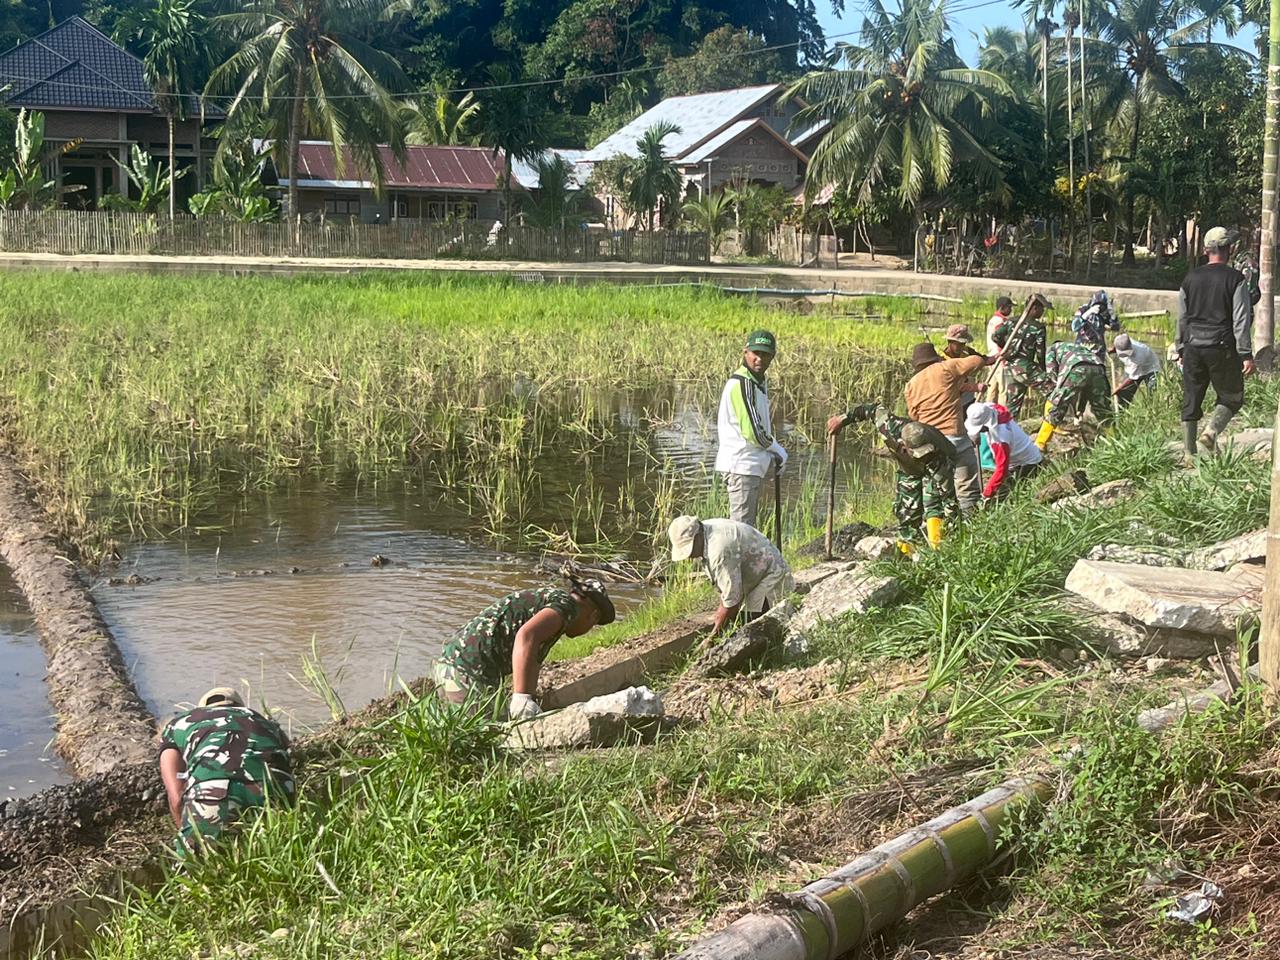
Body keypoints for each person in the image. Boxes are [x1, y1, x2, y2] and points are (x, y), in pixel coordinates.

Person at [433, 576, 616, 718]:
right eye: (593, 625)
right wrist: (522, 698)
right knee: (494, 740)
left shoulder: (553, 604)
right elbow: (527, 636)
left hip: (452, 665)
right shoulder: (567, 607)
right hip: (467, 672)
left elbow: (532, 657)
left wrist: (530, 697)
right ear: (593, 615)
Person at [158, 687, 295, 856]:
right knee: (271, 858)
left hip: (212, 793)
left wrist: (187, 832)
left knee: (196, 866)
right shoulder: (263, 720)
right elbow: (289, 757)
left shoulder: (180, 723)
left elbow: (176, 797)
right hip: (277, 790)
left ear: (202, 709)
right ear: (239, 706)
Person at [827, 403, 958, 549]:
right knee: (907, 512)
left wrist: (951, 524)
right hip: (908, 469)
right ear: (904, 446)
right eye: (919, 453)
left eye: (924, 452)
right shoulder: (889, 426)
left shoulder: (938, 453)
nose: (922, 456)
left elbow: (949, 498)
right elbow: (870, 410)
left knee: (934, 504)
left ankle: (938, 549)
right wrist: (842, 419)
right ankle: (906, 550)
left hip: (935, 466)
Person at [1177, 226, 1255, 455]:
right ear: (1229, 249)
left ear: (1205, 250)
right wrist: (1246, 354)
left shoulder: (1190, 278)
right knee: (1232, 397)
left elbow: (1182, 317)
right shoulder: (1236, 279)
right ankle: (1210, 432)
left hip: (1192, 346)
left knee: (1191, 399)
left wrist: (1180, 347)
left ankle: (1189, 454)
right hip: (1221, 346)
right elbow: (1240, 319)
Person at [667, 515, 794, 638]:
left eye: (690, 548)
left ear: (698, 536)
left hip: (772, 576)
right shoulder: (705, 530)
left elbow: (731, 599)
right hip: (754, 573)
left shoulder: (719, 551)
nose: (689, 556)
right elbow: (727, 586)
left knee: (752, 628)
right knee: (734, 620)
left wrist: (712, 637)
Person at [904, 340, 991, 513]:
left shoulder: (911, 385)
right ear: (935, 358)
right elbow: (977, 361)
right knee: (967, 487)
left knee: (936, 491)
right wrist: (973, 353)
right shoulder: (945, 368)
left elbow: (913, 416)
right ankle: (969, 520)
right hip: (955, 437)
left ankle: (940, 525)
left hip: (930, 444)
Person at [715, 330, 787, 527]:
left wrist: (772, 454)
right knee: (742, 530)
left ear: (773, 356)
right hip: (741, 466)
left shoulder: (757, 382)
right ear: (745, 352)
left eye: (765, 354)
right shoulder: (743, 383)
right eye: (755, 353)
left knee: (745, 528)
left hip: (749, 466)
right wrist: (777, 449)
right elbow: (753, 431)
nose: (759, 359)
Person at [1034, 340, 1114, 452]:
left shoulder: (1051, 349)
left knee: (1057, 405)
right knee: (1102, 409)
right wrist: (1080, 410)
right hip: (1098, 368)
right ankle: (1115, 440)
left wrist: (1056, 397)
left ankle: (1039, 443)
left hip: (1077, 367)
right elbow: (1086, 388)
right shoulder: (1077, 348)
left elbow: (1052, 378)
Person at [964, 401, 1042, 501]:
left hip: (1027, 464)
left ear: (986, 423)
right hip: (1025, 454)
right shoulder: (990, 408)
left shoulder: (1000, 438)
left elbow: (1002, 469)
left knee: (1005, 494)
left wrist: (987, 494)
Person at [991, 294, 1052, 418]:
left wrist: (1008, 350)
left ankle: (1008, 426)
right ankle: (1055, 420)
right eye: (1042, 309)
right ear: (1034, 308)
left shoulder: (1012, 321)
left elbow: (995, 336)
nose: (1042, 312)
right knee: (1053, 390)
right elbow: (1040, 353)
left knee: (1012, 406)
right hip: (1025, 367)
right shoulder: (1038, 328)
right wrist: (1044, 369)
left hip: (1010, 367)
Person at [1110, 333, 1161, 407]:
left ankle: (1151, 411)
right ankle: (1121, 411)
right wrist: (1110, 351)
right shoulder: (1121, 341)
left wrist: (1118, 388)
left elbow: (1131, 379)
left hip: (1151, 369)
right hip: (1131, 369)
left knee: (1152, 393)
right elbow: (1115, 347)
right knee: (1123, 394)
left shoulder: (1140, 354)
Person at [1071, 290, 1118, 364]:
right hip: (1082, 349)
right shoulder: (1083, 309)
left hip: (1098, 351)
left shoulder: (1105, 312)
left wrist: (1112, 313)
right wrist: (1088, 312)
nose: (1100, 308)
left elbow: (1115, 327)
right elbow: (1074, 327)